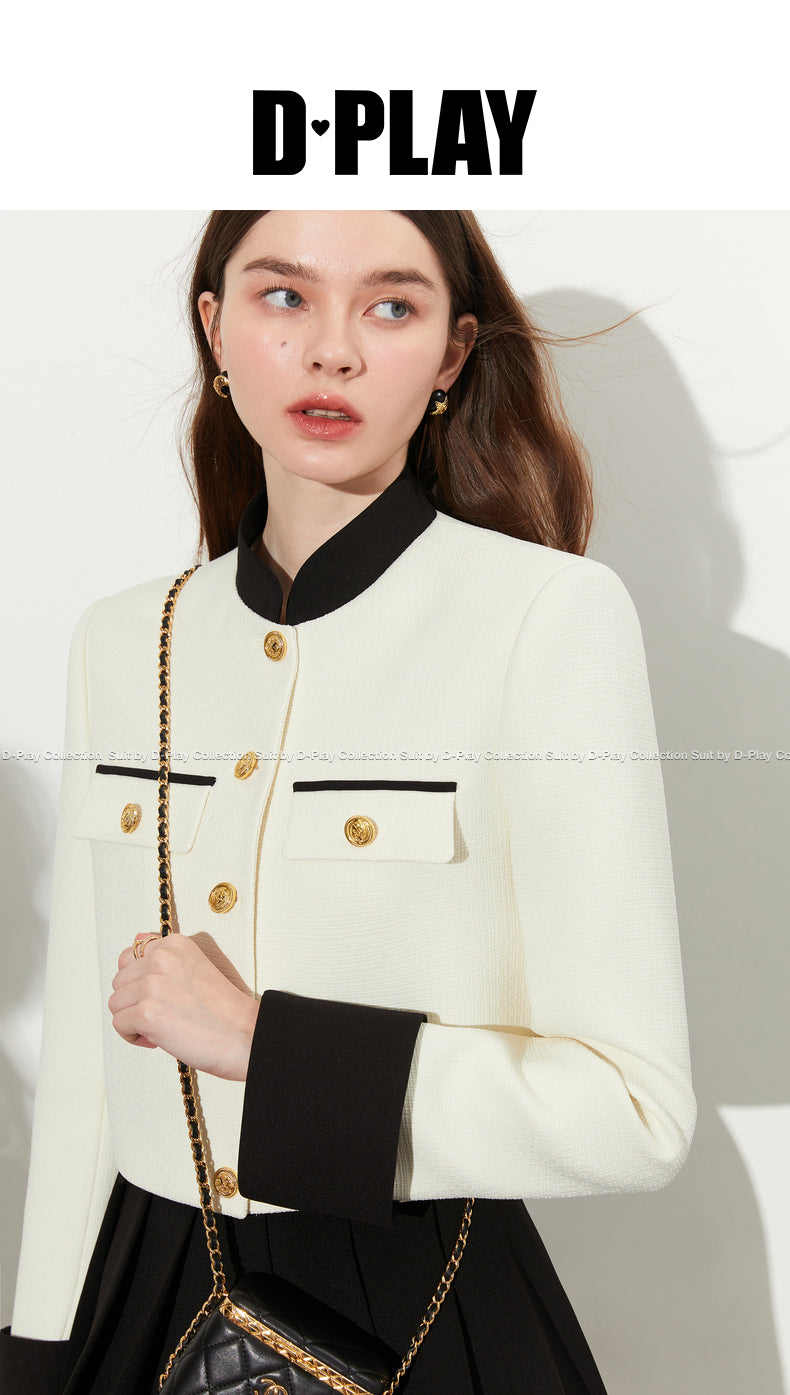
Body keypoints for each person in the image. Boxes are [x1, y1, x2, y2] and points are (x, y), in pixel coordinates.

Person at [0, 209, 697, 1395]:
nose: (332, 349)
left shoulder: (547, 620)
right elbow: (85, 1056)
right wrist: (40, 1341)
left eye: (391, 305)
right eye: (283, 295)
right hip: (138, 1290)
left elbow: (636, 1111)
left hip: (416, 1304)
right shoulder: (125, 639)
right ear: (215, 327)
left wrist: (266, 1050)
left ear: (453, 352)